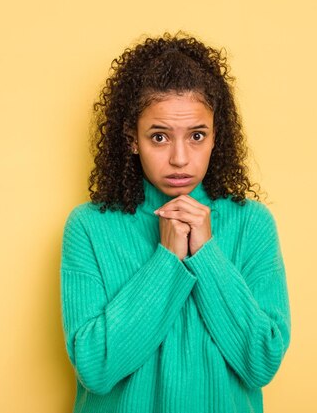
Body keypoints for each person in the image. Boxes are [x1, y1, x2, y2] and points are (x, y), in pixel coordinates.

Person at [59, 31, 291, 413]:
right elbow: (95, 370)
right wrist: (167, 259)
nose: (180, 159)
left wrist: (207, 255)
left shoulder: (253, 224)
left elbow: (261, 361)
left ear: (217, 137)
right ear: (132, 138)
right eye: (160, 137)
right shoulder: (89, 227)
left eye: (197, 135)